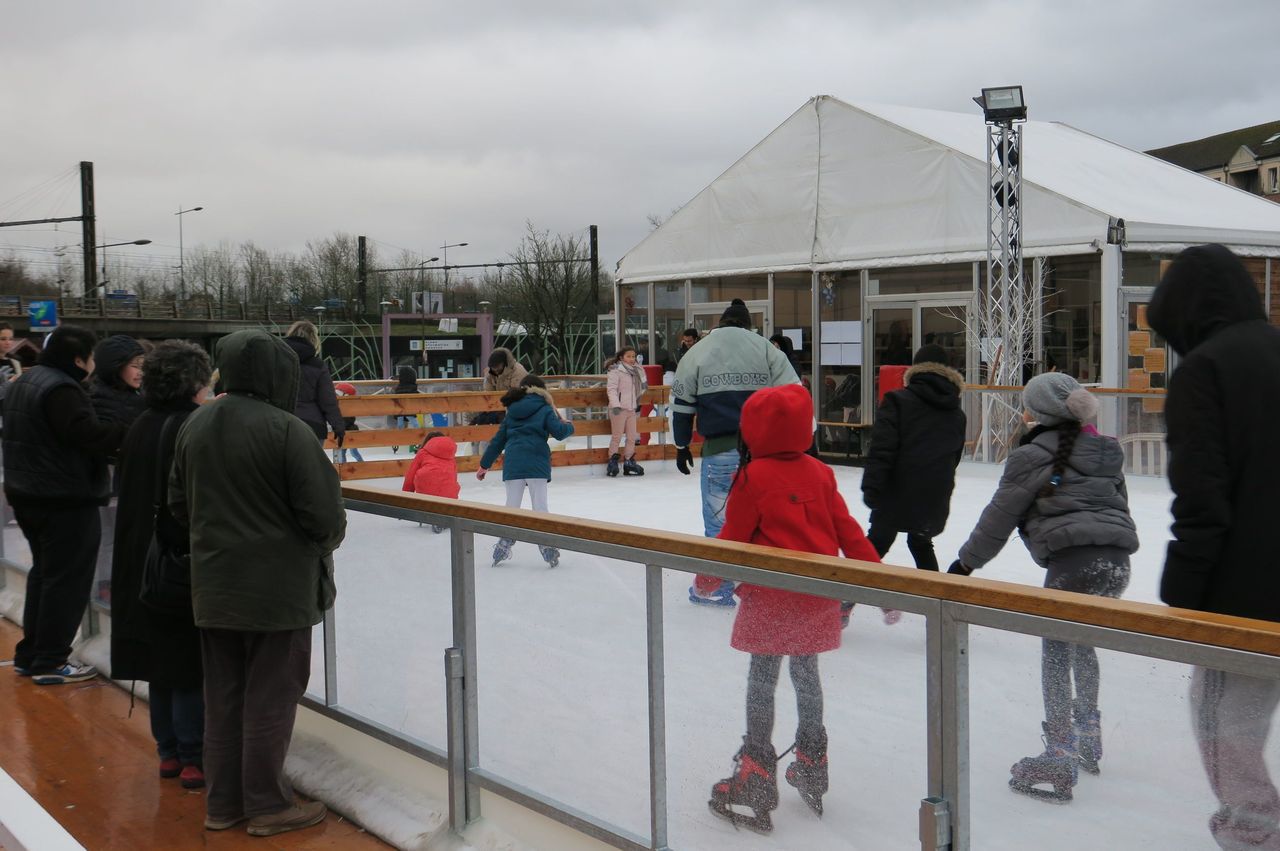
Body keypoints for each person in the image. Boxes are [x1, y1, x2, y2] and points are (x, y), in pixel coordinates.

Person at [169, 328, 346, 836]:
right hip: (279, 593)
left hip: (215, 585)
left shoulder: (196, 424)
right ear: (279, 373)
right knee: (271, 697)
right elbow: (324, 517)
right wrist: (315, 546)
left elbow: (180, 505)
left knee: (223, 696)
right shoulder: (288, 430)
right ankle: (267, 805)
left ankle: (223, 803)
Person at [695, 383, 883, 833]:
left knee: (763, 679)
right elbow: (847, 529)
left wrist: (706, 578)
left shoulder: (754, 476)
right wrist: (877, 578)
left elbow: (735, 536)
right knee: (806, 674)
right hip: (816, 594)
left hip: (772, 595)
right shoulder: (819, 471)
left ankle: (756, 773)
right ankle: (812, 759)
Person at [949, 372, 1138, 803]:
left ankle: (1059, 752)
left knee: (1056, 648)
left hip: (1072, 564)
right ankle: (1088, 731)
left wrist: (964, 565)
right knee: (1081, 641)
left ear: (1037, 412)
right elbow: (1116, 507)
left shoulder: (1032, 455)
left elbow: (998, 517)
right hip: (1116, 563)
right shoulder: (1107, 450)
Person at [1148, 244, 1280, 850]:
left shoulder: (1207, 370)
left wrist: (1185, 596)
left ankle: (1252, 834)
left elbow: (1202, 499)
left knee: (1222, 712)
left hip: (1245, 594)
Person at [110, 341, 212, 790]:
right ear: (192, 382)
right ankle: (193, 755)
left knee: (159, 659)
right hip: (178, 559)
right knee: (187, 658)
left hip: (140, 557)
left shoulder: (141, 424)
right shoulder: (193, 427)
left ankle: (169, 752)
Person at [4, 324, 126, 684]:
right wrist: (128, 432)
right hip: (63, 499)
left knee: (45, 575)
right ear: (78, 359)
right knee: (67, 581)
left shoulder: (27, 381)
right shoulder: (62, 389)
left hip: (27, 494)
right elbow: (84, 435)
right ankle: (51, 661)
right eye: (89, 357)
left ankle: (33, 653)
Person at [671, 298, 798, 606]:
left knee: (720, 521)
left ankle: (717, 588)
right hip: (765, 454)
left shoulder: (697, 351)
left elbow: (682, 406)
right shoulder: (767, 349)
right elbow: (794, 396)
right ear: (747, 325)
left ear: (721, 323)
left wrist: (681, 445)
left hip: (720, 451)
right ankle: (768, 587)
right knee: (767, 520)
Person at [860, 344, 965, 573]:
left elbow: (882, 449)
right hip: (933, 497)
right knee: (921, 543)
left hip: (894, 494)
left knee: (875, 546)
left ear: (915, 370)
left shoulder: (897, 402)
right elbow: (953, 458)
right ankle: (934, 604)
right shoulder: (956, 414)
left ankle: (843, 604)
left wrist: (872, 487)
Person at [477, 374, 574, 567]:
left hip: (514, 463)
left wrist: (484, 464)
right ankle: (546, 545)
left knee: (512, 507)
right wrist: (569, 426)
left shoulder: (512, 411)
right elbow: (560, 432)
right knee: (540, 507)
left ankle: (505, 541)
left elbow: (498, 440)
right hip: (537, 463)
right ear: (542, 390)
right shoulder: (545, 407)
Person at [283, 320, 344, 446]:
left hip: (282, 423)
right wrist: (337, 425)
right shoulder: (318, 365)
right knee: (311, 465)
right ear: (314, 339)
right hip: (312, 425)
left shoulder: (275, 360)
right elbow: (327, 399)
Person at [403, 430, 460, 533]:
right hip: (449, 493)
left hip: (425, 490)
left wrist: (405, 500)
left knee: (427, 483)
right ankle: (444, 517)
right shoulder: (450, 456)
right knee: (448, 486)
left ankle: (432, 516)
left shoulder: (422, 453)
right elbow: (454, 476)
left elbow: (410, 476)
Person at [603, 346, 647, 477]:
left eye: (633, 356)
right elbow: (611, 389)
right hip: (618, 409)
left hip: (631, 408)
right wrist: (616, 405)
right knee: (617, 436)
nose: (632, 359)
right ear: (621, 358)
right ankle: (612, 461)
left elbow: (638, 389)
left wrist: (636, 403)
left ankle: (629, 461)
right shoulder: (615, 371)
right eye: (629, 356)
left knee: (632, 436)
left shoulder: (636, 371)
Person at [334, 382, 364, 463]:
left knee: (354, 452)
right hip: (342, 432)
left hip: (350, 432)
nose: (336, 396)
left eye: (338, 394)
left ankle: (362, 465)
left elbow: (348, 421)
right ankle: (343, 469)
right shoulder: (337, 404)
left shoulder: (349, 406)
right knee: (341, 453)